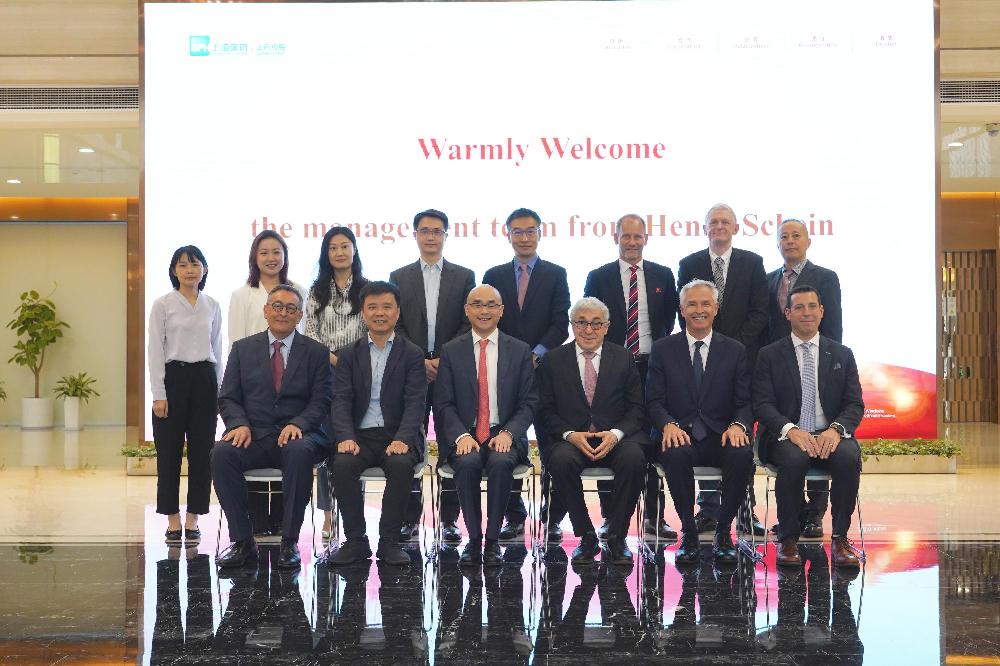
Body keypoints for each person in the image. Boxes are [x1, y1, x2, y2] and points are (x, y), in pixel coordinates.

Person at [212, 284, 333, 569]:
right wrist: (239, 424)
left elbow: (322, 399)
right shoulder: (242, 349)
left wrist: (299, 423)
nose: (283, 313)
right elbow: (228, 397)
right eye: (277, 306)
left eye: (291, 308)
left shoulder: (316, 352)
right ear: (266, 311)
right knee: (221, 453)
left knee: (299, 451)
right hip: (254, 435)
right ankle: (243, 541)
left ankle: (289, 541)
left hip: (299, 436)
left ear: (300, 315)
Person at [583, 213, 680, 541]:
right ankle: (611, 516)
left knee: (652, 441)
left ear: (646, 239)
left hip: (653, 367)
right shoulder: (598, 277)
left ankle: (655, 516)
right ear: (616, 237)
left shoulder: (663, 275)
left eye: (638, 236)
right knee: (605, 437)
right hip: (613, 368)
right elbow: (591, 320)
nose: (632, 242)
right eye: (626, 236)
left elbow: (669, 319)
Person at [753, 285, 864, 568]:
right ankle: (788, 539)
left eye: (812, 306)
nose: (806, 313)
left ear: (822, 311)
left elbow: (854, 404)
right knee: (794, 458)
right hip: (786, 435)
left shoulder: (842, 354)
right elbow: (762, 404)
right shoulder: (769, 354)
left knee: (848, 456)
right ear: (787, 313)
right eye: (799, 307)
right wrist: (791, 430)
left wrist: (835, 430)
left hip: (828, 433)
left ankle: (839, 539)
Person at [646, 279, 754, 564]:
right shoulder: (663, 349)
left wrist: (738, 425)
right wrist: (667, 424)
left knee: (742, 454)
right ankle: (689, 531)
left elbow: (745, 402)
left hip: (720, 434)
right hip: (680, 433)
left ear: (716, 308)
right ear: (682, 309)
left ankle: (723, 531)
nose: (699, 310)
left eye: (706, 304)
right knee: (674, 453)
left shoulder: (735, 350)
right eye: (692, 304)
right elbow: (653, 401)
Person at [677, 203, 767, 536]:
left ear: (735, 227)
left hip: (741, 361)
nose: (719, 226)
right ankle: (708, 510)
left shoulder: (752, 263)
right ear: (705, 228)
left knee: (739, 436)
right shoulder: (689, 264)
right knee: (703, 427)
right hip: (700, 362)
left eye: (724, 221)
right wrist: (709, 346)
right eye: (713, 222)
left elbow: (760, 312)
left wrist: (729, 348)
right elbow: (685, 312)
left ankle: (745, 510)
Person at [537, 297, 648, 564]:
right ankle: (586, 534)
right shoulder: (553, 360)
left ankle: (617, 536)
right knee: (560, 460)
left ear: (607, 327)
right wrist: (569, 435)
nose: (589, 330)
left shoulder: (623, 358)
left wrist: (616, 434)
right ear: (572, 325)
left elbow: (637, 408)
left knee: (634, 457)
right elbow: (544, 410)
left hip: (614, 438)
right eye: (582, 323)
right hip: (572, 439)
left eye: (596, 324)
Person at [434, 285, 539, 567]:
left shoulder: (519, 350)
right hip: (465, 433)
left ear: (501, 311)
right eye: (477, 304)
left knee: (501, 462)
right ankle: (474, 539)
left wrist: (509, 432)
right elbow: (443, 403)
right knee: (467, 463)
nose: (484, 310)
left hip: (503, 432)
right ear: (467, 310)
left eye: (491, 305)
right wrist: (460, 435)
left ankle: (492, 542)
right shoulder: (451, 350)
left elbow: (529, 402)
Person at [483, 208, 570, 542]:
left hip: (545, 371)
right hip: (505, 372)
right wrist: (514, 357)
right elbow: (488, 319)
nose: (524, 237)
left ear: (539, 233)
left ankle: (552, 516)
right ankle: (515, 515)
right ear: (507, 235)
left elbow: (560, 323)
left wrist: (536, 354)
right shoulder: (493, 274)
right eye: (517, 232)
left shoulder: (556, 273)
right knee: (509, 441)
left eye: (529, 231)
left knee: (552, 445)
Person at [326, 282, 428, 566]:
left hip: (397, 435)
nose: (379, 313)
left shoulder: (412, 353)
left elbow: (415, 403)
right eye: (372, 307)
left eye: (386, 307)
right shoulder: (348, 354)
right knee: (342, 465)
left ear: (397, 312)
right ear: (363, 312)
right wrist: (345, 436)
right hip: (359, 436)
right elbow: (340, 399)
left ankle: (389, 542)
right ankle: (356, 541)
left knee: (400, 465)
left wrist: (403, 439)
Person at [389, 209, 475, 544]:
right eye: (424, 230)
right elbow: (395, 322)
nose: (431, 236)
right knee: (410, 439)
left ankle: (449, 519)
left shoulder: (464, 275)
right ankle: (409, 518)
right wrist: (419, 360)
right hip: (411, 372)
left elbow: (468, 321)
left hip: (450, 371)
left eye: (437, 231)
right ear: (415, 235)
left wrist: (442, 358)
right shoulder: (399, 276)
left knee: (453, 440)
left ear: (446, 235)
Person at [766, 218, 844, 538]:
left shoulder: (825, 277)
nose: (790, 241)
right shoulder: (769, 280)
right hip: (782, 370)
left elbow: (834, 326)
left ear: (808, 241)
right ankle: (795, 512)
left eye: (796, 235)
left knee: (818, 436)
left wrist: (830, 365)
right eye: (784, 236)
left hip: (817, 364)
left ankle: (815, 514)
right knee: (792, 445)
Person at [228, 229, 307, 538]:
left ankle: (284, 526)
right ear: (254, 257)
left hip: (290, 383)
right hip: (254, 387)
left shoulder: (299, 290)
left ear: (285, 256)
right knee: (243, 445)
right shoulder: (242, 294)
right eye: (264, 252)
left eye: (277, 252)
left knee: (293, 450)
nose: (271, 258)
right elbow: (235, 340)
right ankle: (257, 523)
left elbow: (304, 339)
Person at [148, 245, 222, 544]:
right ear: (174, 271)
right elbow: (155, 350)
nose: (189, 270)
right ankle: (172, 519)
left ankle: (193, 518)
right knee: (169, 453)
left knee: (203, 453)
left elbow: (217, 349)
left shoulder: (212, 305)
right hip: (173, 379)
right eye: (182, 265)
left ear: (204, 269)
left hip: (205, 379)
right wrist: (158, 393)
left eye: (194, 264)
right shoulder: (162, 304)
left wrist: (220, 393)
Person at [303, 225, 370, 537]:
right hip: (326, 375)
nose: (340, 252)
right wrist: (334, 360)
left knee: (355, 445)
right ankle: (329, 514)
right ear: (326, 254)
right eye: (333, 248)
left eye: (345, 246)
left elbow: (373, 329)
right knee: (330, 445)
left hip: (362, 374)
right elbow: (310, 333)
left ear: (354, 250)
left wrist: (350, 361)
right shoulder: (316, 292)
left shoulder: (367, 289)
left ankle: (354, 512)